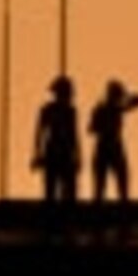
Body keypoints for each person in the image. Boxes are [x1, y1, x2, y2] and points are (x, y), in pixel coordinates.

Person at [87, 75, 138, 207]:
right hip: (106, 146)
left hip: (112, 145)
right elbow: (91, 129)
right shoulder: (103, 109)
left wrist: (125, 101)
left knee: (121, 179)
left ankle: (121, 206)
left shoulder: (114, 108)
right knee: (103, 183)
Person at [32, 72, 81, 208]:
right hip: (53, 152)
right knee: (51, 191)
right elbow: (40, 133)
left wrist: (77, 156)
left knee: (69, 192)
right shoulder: (48, 110)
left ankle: (64, 221)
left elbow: (74, 135)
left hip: (65, 153)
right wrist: (38, 153)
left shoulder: (71, 111)